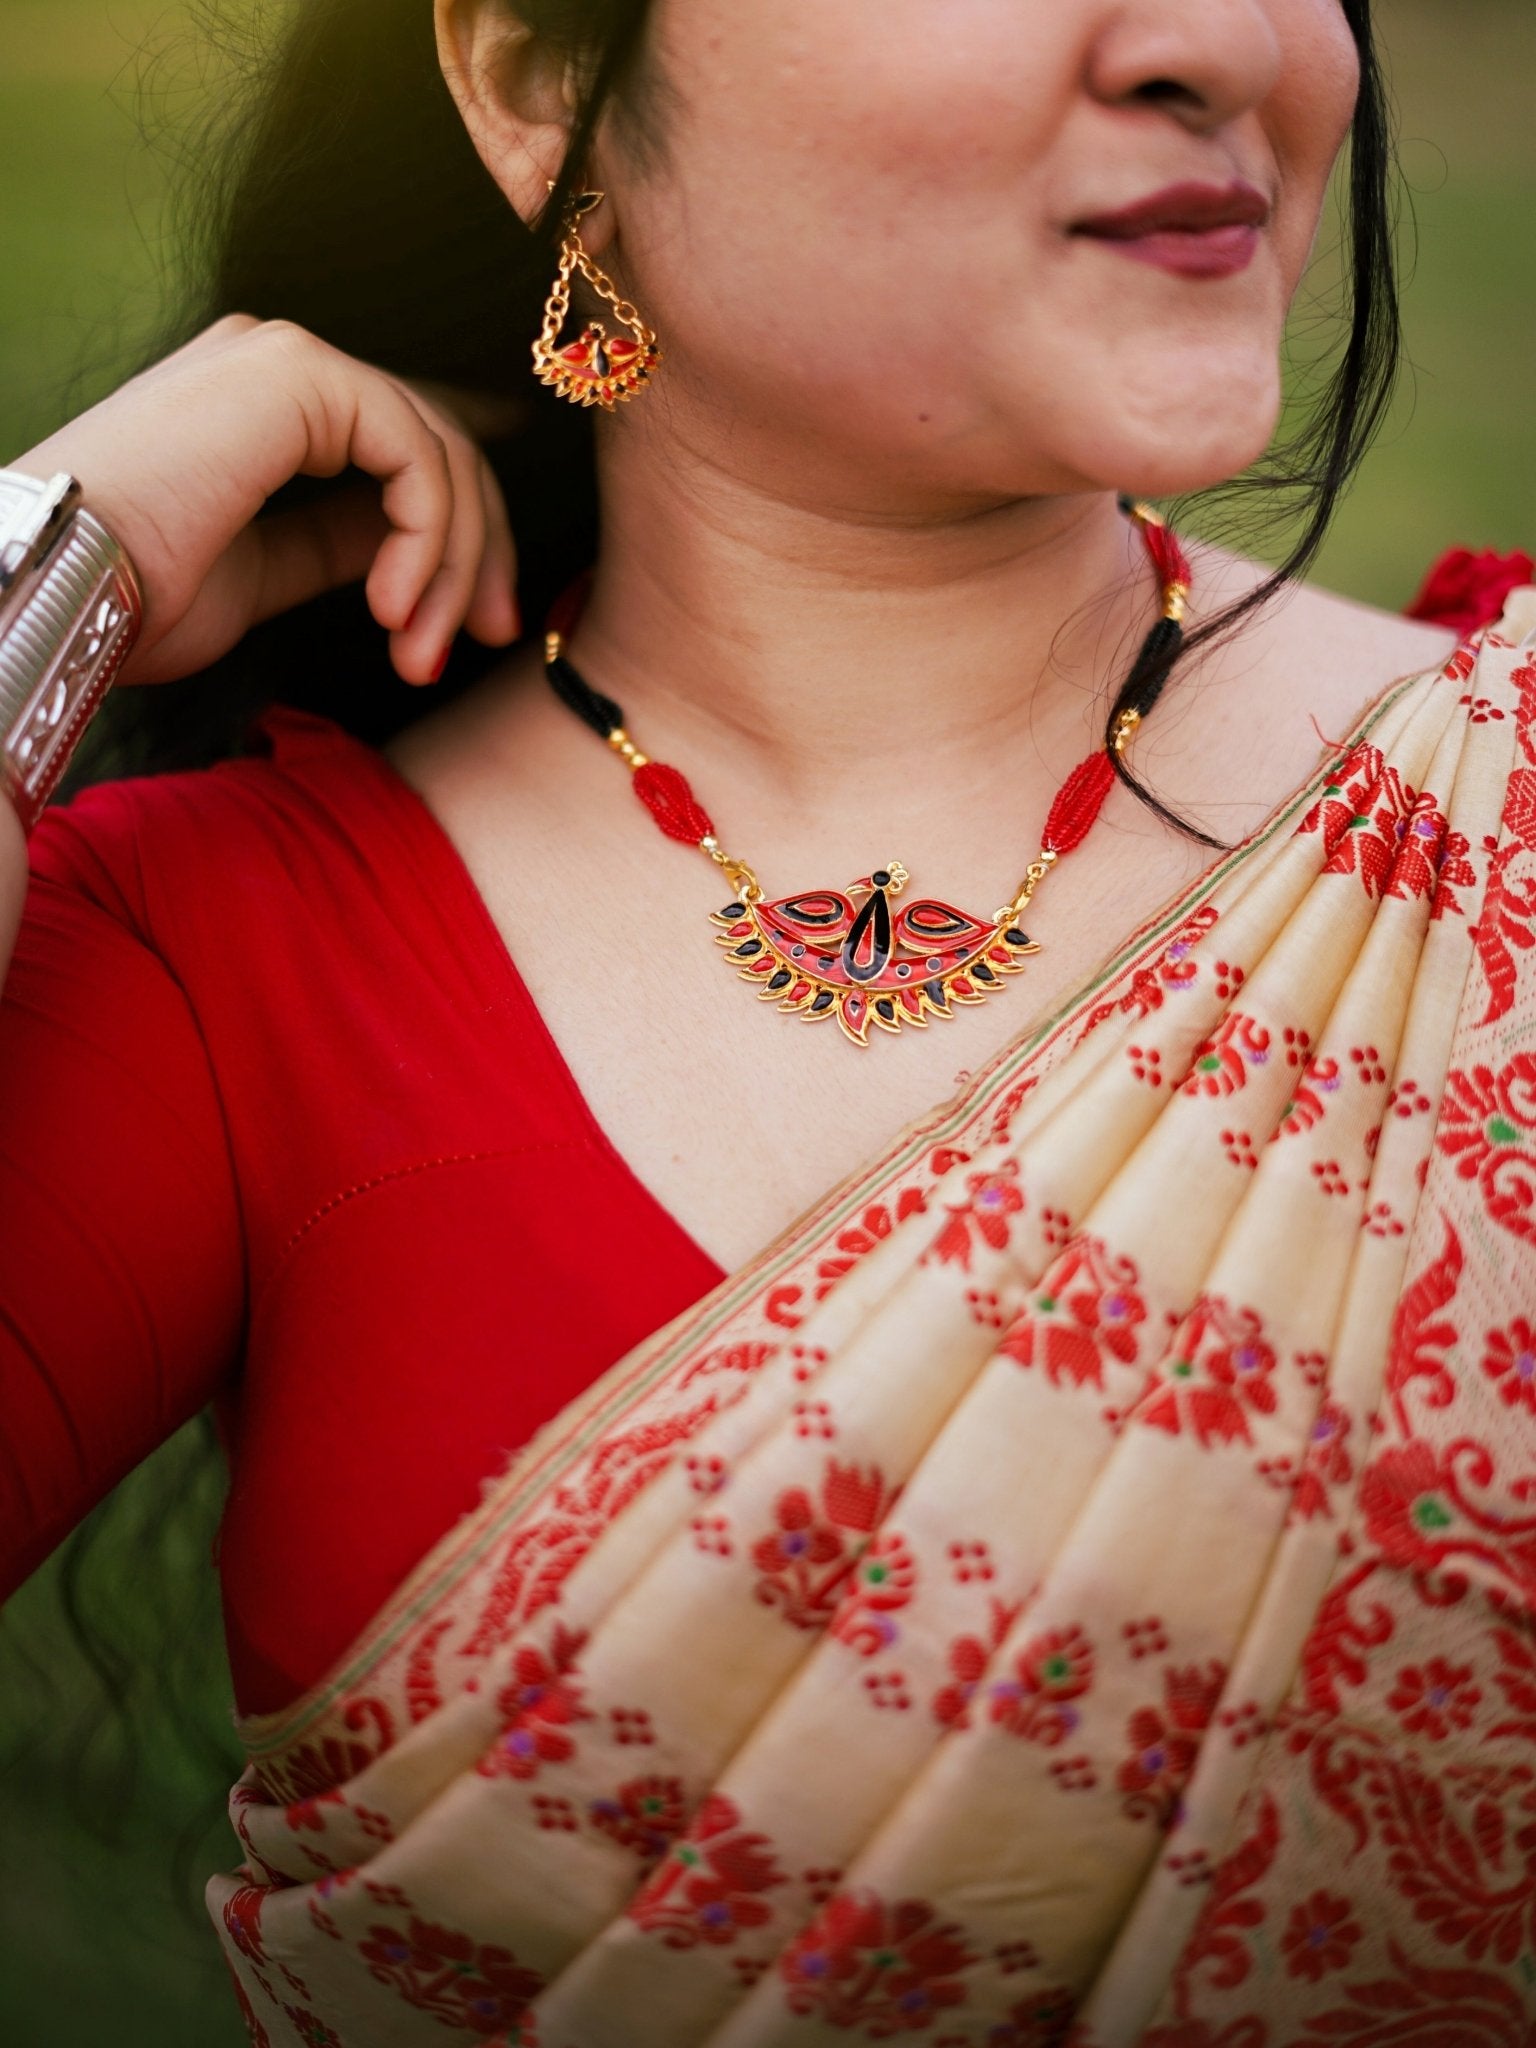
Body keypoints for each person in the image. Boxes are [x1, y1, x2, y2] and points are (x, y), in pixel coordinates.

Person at [2, 1, 1533, 2041]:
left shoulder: (1495, 812)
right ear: (538, 81)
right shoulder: (224, 962)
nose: (1221, 38)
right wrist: (52, 562)